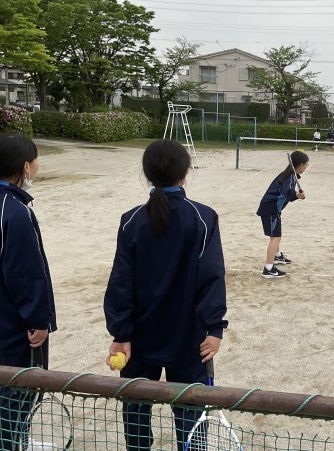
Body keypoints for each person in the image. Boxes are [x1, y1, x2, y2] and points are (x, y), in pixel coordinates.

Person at [103, 140, 228, 451]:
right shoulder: (202, 217)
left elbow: (121, 281)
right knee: (189, 414)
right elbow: (212, 276)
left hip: (141, 336)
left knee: (136, 412)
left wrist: (121, 332)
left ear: (147, 175)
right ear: (185, 173)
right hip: (189, 339)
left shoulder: (132, 220)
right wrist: (214, 328)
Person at [0, 134, 57, 450]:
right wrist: (39, 320)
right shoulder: (14, 211)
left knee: (14, 386)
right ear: (26, 167)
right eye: (36, 159)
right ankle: (11, 445)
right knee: (22, 386)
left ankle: (17, 440)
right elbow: (25, 275)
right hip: (14, 320)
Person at [256, 151, 308, 279]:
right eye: (306, 164)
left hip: (273, 209)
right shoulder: (289, 177)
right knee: (276, 237)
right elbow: (287, 193)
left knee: (275, 235)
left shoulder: (291, 175)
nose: (306, 167)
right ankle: (268, 269)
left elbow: (287, 191)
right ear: (300, 165)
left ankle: (277, 256)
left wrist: (295, 194)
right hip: (271, 209)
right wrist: (297, 195)